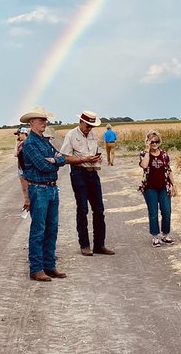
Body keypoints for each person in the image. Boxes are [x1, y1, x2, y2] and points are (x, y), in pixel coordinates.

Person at [18, 107, 69, 281]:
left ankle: (49, 266)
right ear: (31, 123)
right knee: (39, 230)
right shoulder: (30, 143)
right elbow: (43, 165)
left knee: (52, 229)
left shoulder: (44, 141)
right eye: (41, 120)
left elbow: (61, 157)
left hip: (51, 188)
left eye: (45, 120)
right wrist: (57, 161)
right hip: (39, 189)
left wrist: (56, 160)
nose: (44, 123)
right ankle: (36, 268)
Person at [60, 111, 114, 256]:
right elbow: (65, 158)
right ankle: (84, 245)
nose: (89, 128)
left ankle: (99, 245)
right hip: (78, 174)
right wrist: (84, 159)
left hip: (93, 173)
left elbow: (95, 152)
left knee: (99, 209)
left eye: (91, 126)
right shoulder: (71, 135)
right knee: (82, 209)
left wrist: (97, 159)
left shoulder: (94, 136)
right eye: (88, 125)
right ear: (81, 122)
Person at [138, 131, 174, 247]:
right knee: (153, 213)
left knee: (166, 211)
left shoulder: (164, 154)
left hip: (164, 186)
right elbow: (144, 165)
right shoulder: (144, 153)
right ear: (147, 142)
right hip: (150, 188)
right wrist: (148, 151)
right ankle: (155, 236)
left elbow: (168, 170)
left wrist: (174, 185)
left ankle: (165, 234)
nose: (154, 144)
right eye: (152, 141)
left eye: (157, 141)